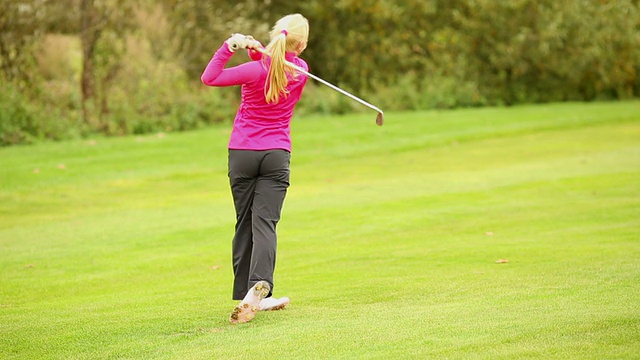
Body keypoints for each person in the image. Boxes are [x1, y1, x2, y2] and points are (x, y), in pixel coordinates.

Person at [200, 14, 310, 324]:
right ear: (300, 45)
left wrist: (230, 46)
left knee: (245, 223)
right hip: (276, 154)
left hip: (243, 153)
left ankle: (253, 293)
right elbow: (274, 62)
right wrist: (255, 48)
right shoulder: (300, 70)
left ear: (276, 34)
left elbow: (210, 77)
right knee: (265, 224)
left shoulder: (252, 70)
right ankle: (257, 292)